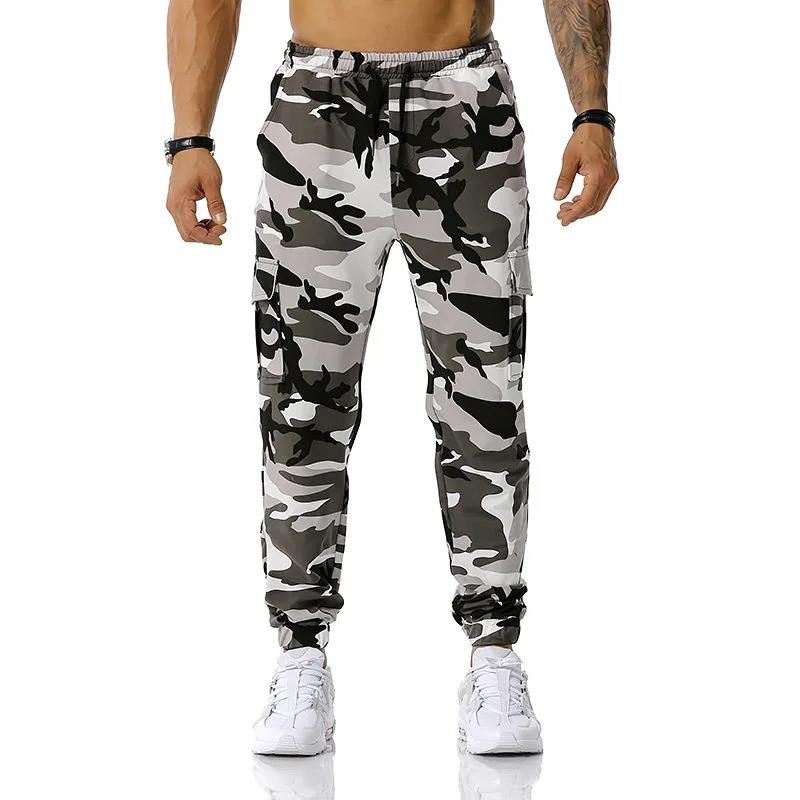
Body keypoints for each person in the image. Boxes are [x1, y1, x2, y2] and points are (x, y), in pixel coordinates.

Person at [166, 0, 618, 757]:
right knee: (301, 399)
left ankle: (494, 653)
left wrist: (593, 114)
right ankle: (300, 656)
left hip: (464, 103)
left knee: (484, 399)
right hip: (318, 112)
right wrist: (189, 138)